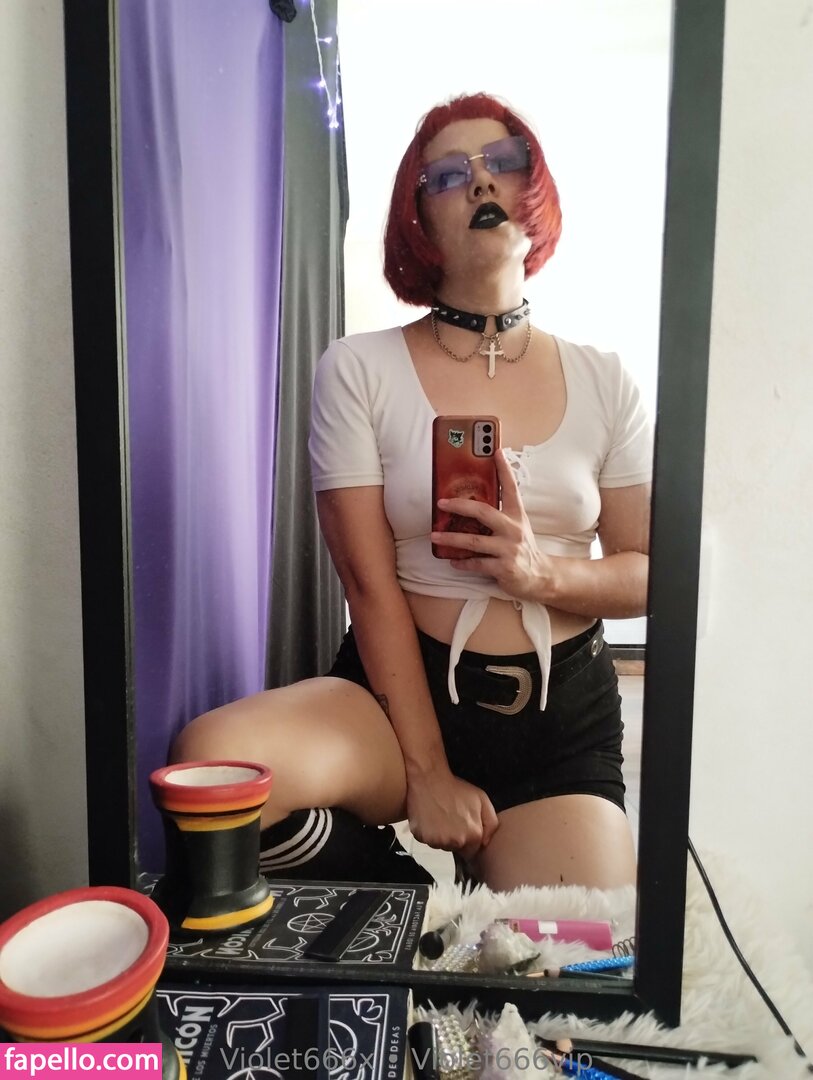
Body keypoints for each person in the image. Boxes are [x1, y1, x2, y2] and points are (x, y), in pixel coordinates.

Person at [171, 92, 652, 892]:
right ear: (416, 218)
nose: (481, 181)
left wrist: (540, 574)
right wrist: (427, 772)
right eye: (447, 175)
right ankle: (407, 906)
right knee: (211, 773)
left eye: (504, 161)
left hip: (556, 720)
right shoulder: (359, 368)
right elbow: (367, 583)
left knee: (574, 951)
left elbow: (649, 575)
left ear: (534, 187)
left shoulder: (604, 379)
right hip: (395, 699)